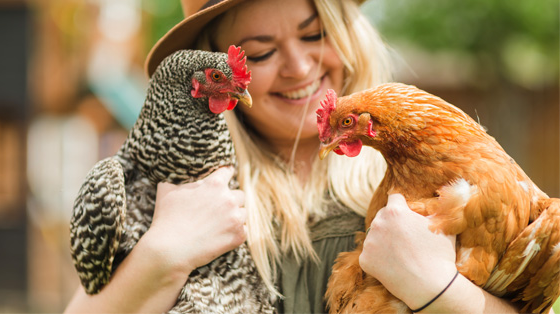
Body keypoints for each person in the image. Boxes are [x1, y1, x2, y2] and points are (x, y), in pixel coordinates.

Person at [65, 0, 524, 312]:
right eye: (261, 53)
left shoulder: (431, 180)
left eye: (314, 34)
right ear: (215, 74)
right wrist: (163, 255)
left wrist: (436, 288)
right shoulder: (183, 196)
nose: (300, 68)